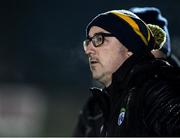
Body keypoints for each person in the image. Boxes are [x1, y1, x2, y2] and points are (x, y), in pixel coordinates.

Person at [73, 9, 180, 136]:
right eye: (89, 42)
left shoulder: (156, 90)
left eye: (99, 39)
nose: (88, 50)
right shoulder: (100, 105)